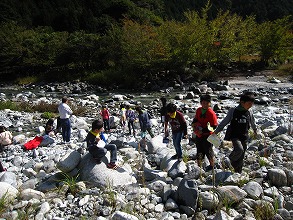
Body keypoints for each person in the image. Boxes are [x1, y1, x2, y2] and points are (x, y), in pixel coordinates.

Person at [214, 92, 257, 173]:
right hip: (234, 135)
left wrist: (255, 130)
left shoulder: (249, 111)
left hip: (244, 135)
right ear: (242, 102)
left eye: (252, 104)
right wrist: (216, 132)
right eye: (249, 103)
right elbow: (225, 121)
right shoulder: (233, 110)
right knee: (239, 150)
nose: (251, 105)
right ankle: (228, 160)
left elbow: (252, 122)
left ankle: (237, 172)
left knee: (241, 156)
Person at [192, 95, 218, 171]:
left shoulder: (211, 113)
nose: (205, 105)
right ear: (200, 103)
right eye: (203, 103)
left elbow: (214, 126)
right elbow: (195, 119)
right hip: (199, 135)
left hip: (208, 135)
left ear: (209, 103)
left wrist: (202, 130)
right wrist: (194, 125)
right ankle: (199, 167)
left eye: (207, 103)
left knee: (208, 150)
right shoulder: (198, 110)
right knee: (199, 150)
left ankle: (212, 165)